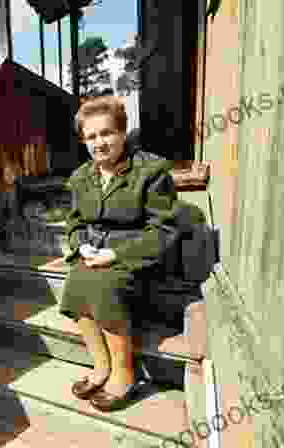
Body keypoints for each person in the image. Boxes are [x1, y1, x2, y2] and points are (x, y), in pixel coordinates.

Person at [60, 95, 181, 412]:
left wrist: (115, 255)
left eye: (106, 133)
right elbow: (73, 224)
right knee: (75, 283)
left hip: (142, 256)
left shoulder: (151, 171)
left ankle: (124, 374)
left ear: (122, 133)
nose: (99, 143)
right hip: (96, 255)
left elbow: (165, 230)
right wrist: (80, 245)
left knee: (101, 285)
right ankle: (101, 366)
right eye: (91, 136)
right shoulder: (81, 177)